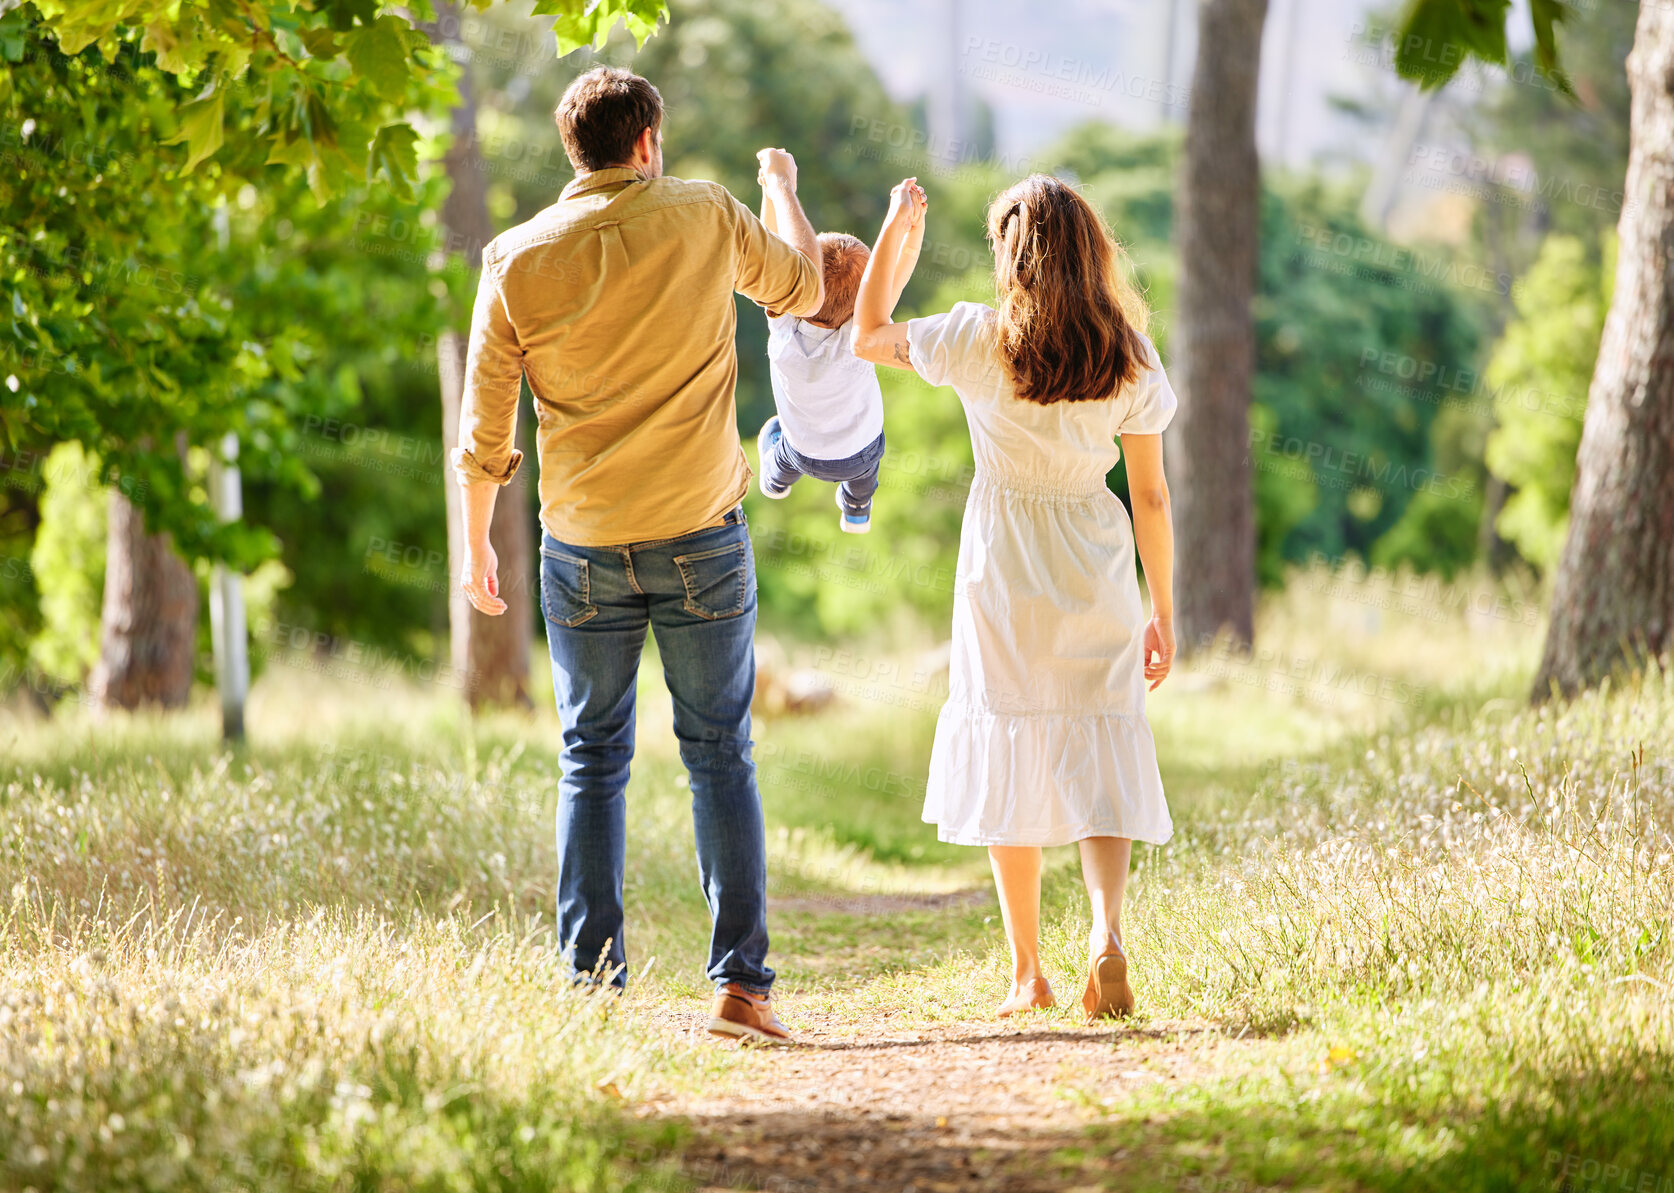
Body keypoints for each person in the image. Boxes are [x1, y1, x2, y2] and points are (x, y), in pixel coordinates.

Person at [452, 65, 826, 1045]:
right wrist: (782, 188)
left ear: (575, 150)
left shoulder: (514, 259)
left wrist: (476, 546)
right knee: (719, 755)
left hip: (580, 546)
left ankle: (590, 986)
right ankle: (742, 988)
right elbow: (805, 285)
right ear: (647, 140)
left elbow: (483, 430)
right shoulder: (704, 214)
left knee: (590, 758)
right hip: (701, 533)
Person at [852, 174, 1178, 1023]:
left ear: (1012, 254)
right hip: (1095, 560)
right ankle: (1107, 933)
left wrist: (895, 233)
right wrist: (1164, 611)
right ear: (1089, 251)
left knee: (1009, 739)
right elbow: (1152, 498)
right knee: (1102, 737)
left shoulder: (974, 338)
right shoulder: (1131, 356)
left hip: (1003, 564)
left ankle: (1027, 970)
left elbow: (867, 334)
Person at [753, 185, 922, 534]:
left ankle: (774, 481)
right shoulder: (862, 334)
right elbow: (901, 266)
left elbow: (768, 247)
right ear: (867, 298)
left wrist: (771, 191)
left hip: (800, 451)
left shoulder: (783, 326)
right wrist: (913, 227)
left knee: (779, 443)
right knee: (864, 476)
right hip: (859, 456)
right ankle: (857, 510)